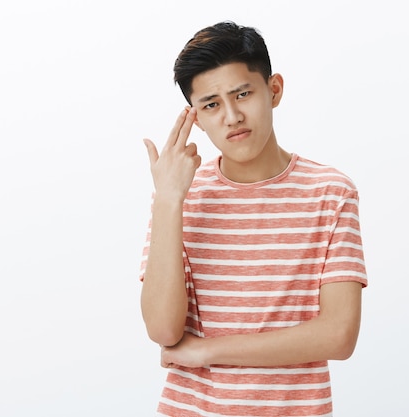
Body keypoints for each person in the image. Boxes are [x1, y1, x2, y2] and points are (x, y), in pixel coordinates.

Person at [139, 21, 368, 416]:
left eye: (242, 94)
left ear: (273, 90)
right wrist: (168, 201)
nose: (231, 117)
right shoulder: (180, 197)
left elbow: (339, 334)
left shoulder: (331, 193)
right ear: (195, 116)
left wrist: (207, 351)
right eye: (211, 104)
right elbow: (162, 331)